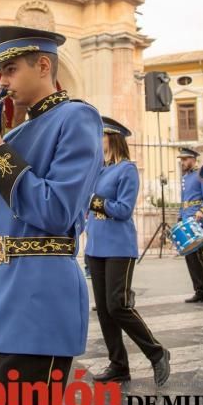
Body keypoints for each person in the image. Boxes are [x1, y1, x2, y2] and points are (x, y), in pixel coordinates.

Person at [0, 25, 103, 405]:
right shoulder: (12, 133)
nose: (1, 82)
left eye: (11, 69)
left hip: (38, 304)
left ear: (44, 64)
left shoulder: (77, 118)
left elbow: (56, 211)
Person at [86, 117, 170, 387]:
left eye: (100, 137)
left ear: (112, 139)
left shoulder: (127, 170)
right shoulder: (97, 171)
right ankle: (119, 365)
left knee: (117, 305)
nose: (96, 142)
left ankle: (156, 352)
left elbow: (123, 210)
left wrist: (94, 201)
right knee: (103, 310)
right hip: (96, 247)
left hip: (119, 247)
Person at [177, 147, 203, 305]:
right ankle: (200, 291)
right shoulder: (185, 177)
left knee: (197, 257)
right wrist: (180, 216)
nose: (183, 162)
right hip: (186, 219)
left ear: (194, 159)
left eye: (185, 159)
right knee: (189, 257)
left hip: (197, 219)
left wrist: (202, 211)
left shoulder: (202, 175)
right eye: (181, 160)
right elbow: (184, 200)